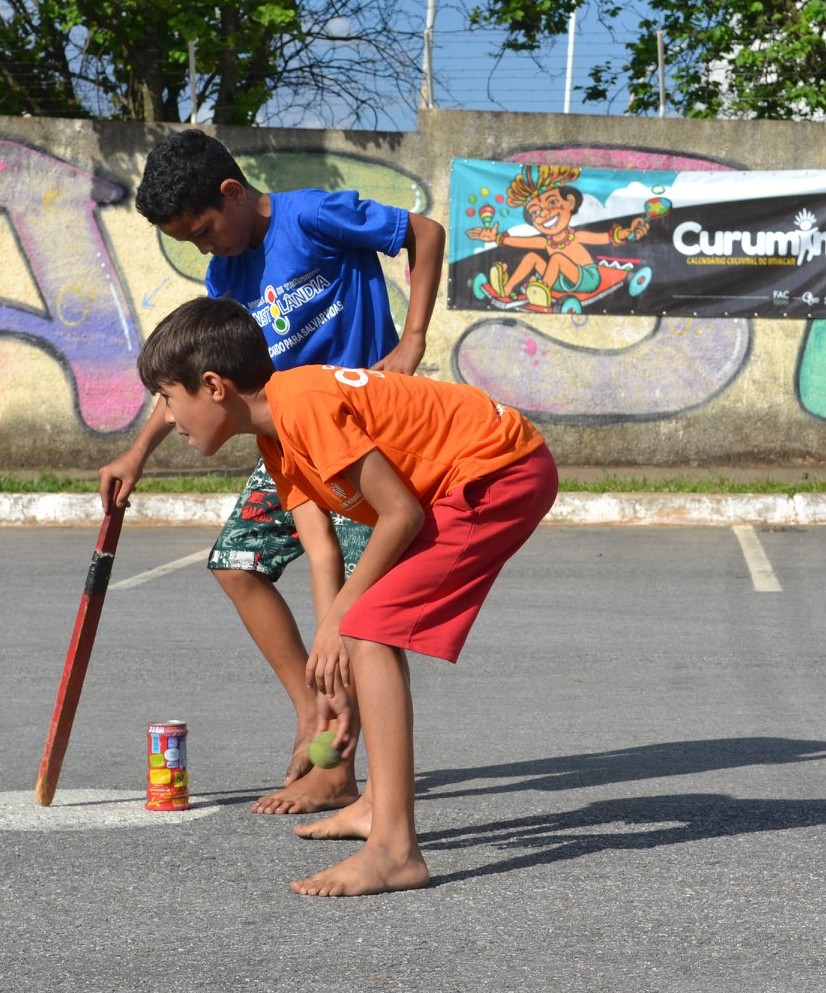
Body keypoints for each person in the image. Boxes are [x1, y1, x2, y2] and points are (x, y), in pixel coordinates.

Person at [138, 296, 558, 896]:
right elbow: (323, 550)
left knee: (368, 626)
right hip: (475, 472)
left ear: (213, 386)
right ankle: (376, 810)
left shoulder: (303, 404)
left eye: (167, 396)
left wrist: (342, 624)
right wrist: (328, 677)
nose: (166, 415)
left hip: (500, 470)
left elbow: (398, 514)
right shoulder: (276, 437)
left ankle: (395, 851)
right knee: (362, 625)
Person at [99, 129, 446, 816]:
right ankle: (314, 715)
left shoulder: (312, 215)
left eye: (202, 231)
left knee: (352, 606)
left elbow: (425, 232)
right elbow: (198, 379)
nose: (205, 249)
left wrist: (410, 340)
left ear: (231, 193)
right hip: (289, 443)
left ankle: (341, 769)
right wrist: (137, 451)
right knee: (236, 561)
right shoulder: (226, 277)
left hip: (356, 437)